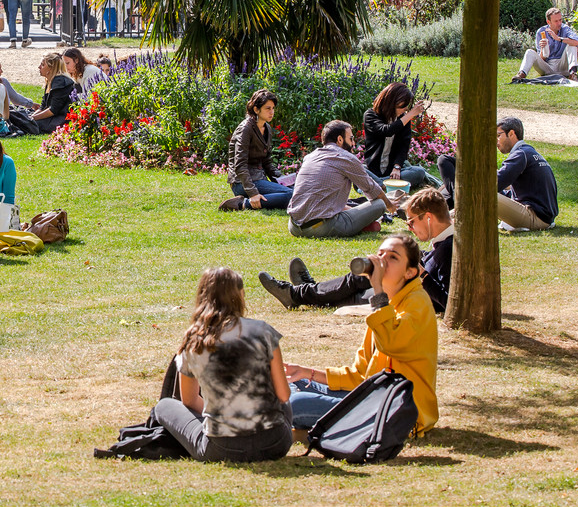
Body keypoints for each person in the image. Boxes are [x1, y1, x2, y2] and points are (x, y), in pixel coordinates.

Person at [283, 232, 439, 438]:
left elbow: (391, 343)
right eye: (380, 254)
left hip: (396, 411)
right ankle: (302, 428)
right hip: (370, 397)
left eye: (393, 257)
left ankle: (289, 428)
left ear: (410, 272)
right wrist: (308, 373)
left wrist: (376, 289)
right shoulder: (387, 305)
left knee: (297, 404)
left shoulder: (417, 303)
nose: (381, 261)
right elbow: (360, 375)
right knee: (291, 384)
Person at [151, 268, 293, 462]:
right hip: (275, 443)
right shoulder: (263, 331)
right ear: (241, 295)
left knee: (164, 406)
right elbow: (284, 395)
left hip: (222, 449)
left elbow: (189, 401)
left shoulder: (194, 340)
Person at [258, 187, 453, 315]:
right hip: (403, 290)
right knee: (362, 277)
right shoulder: (444, 244)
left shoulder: (447, 249)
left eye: (411, 221)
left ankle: (299, 293)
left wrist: (421, 273)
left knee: (356, 290)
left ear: (428, 218)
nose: (410, 227)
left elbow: (447, 302)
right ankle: (305, 291)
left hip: (408, 296)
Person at [285, 120, 396, 238]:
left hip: (294, 227)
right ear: (340, 139)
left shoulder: (310, 157)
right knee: (379, 204)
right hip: (321, 227)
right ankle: (365, 225)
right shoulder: (346, 157)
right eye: (351, 138)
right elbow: (372, 190)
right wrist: (390, 206)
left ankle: (364, 225)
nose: (353, 143)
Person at [219, 90, 292, 211]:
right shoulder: (245, 129)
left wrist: (283, 180)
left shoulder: (266, 128)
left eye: (273, 108)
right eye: (267, 108)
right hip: (242, 183)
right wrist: (252, 193)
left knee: (296, 191)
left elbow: (267, 162)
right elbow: (240, 165)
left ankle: (276, 196)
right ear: (256, 109)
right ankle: (241, 204)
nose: (272, 112)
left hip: (259, 179)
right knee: (290, 195)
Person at [362, 82, 432, 190]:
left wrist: (397, 167)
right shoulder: (371, 115)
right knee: (358, 170)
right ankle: (386, 184)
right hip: (372, 169)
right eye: (402, 106)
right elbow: (386, 131)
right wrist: (410, 115)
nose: (405, 110)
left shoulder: (404, 119)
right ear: (391, 102)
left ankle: (378, 185)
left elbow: (403, 146)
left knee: (419, 172)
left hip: (393, 172)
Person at [494, 116, 558, 232]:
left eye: (498, 136)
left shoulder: (520, 154)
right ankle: (452, 219)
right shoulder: (529, 152)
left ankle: (453, 222)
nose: (496, 141)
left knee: (482, 192)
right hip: (544, 217)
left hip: (534, 217)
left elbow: (495, 183)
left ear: (512, 133)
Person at [512, 7, 578, 82]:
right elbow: (541, 58)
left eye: (560, 20)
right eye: (556, 21)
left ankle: (573, 74)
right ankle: (521, 74)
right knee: (529, 52)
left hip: (563, 65)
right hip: (547, 67)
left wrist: (559, 39)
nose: (559, 23)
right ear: (549, 22)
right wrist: (542, 49)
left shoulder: (565, 29)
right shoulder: (541, 32)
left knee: (572, 45)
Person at [30, 52, 75, 134]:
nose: (39, 67)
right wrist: (32, 116)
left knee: (29, 124)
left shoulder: (60, 81)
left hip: (60, 119)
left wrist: (33, 118)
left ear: (50, 68)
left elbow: (53, 110)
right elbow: (43, 106)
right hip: (55, 116)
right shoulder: (51, 80)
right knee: (24, 117)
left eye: (43, 65)